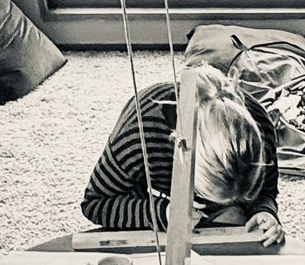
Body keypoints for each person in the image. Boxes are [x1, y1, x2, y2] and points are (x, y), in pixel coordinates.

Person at [81, 65, 285, 245]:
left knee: (238, 224)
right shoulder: (137, 135)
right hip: (153, 199)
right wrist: (164, 213)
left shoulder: (260, 127)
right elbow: (95, 203)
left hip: (206, 205)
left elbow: (267, 192)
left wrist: (264, 210)